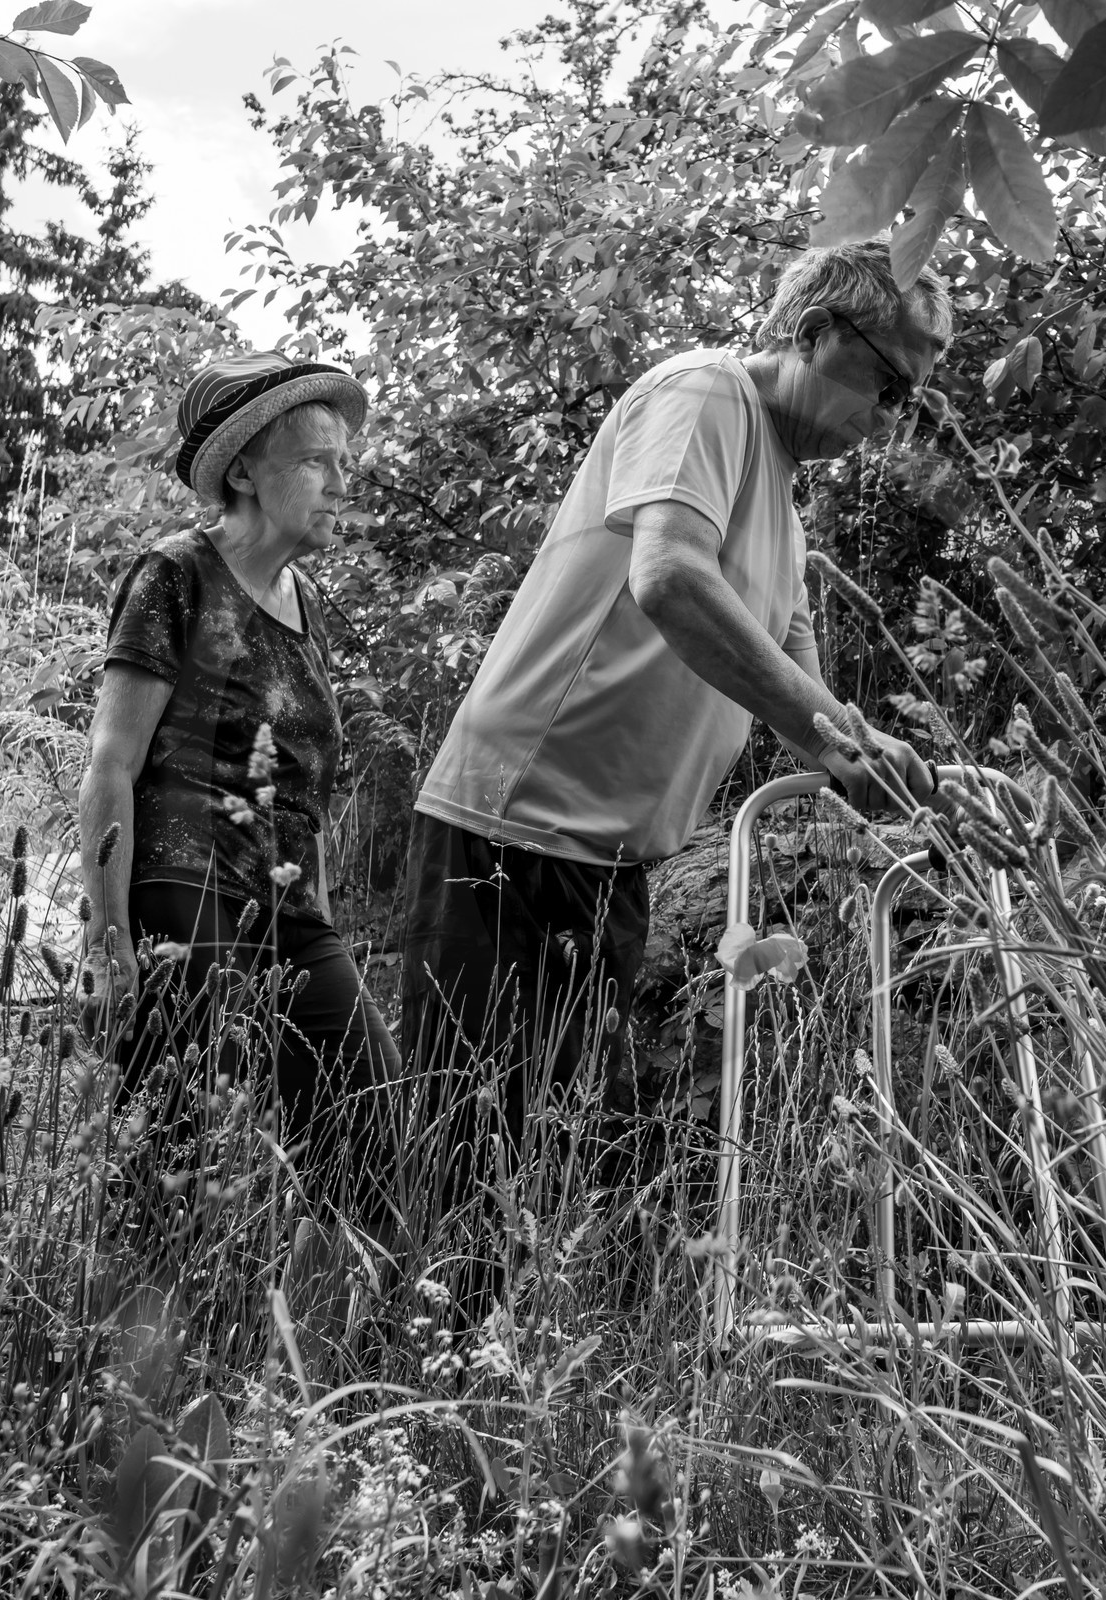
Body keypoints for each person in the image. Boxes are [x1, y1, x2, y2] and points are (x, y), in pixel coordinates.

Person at [402, 239, 952, 1201]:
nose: (887, 421)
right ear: (816, 331)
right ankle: (389, 1348)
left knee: (561, 1173)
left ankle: (499, 1349)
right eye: (888, 386)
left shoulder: (782, 507)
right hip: (514, 828)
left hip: (612, 863)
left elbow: (805, 710)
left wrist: (875, 760)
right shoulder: (705, 393)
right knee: (468, 1164)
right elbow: (669, 578)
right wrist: (837, 737)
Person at [79, 351, 401, 1234]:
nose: (341, 481)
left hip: (290, 915)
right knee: (169, 1164)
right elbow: (112, 760)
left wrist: (323, 920)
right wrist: (108, 939)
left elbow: (309, 793)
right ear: (246, 472)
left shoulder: (309, 605)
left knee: (372, 1132)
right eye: (314, 462)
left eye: (344, 461)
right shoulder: (176, 573)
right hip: (185, 898)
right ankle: (128, 1357)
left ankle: (311, 1357)